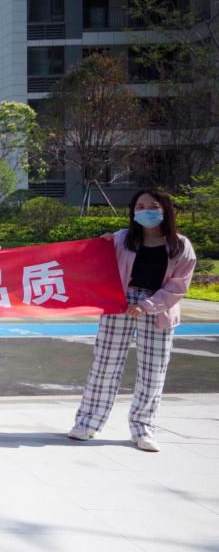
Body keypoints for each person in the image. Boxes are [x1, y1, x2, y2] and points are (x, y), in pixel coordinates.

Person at [70, 189, 196, 452]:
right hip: (119, 303)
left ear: (166, 210)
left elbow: (178, 286)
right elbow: (94, 262)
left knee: (153, 370)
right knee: (105, 365)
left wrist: (147, 306)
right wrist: (100, 246)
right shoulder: (121, 239)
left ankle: (143, 428)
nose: (146, 211)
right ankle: (88, 423)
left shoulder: (181, 246)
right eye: (140, 206)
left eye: (153, 206)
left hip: (159, 308)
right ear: (132, 211)